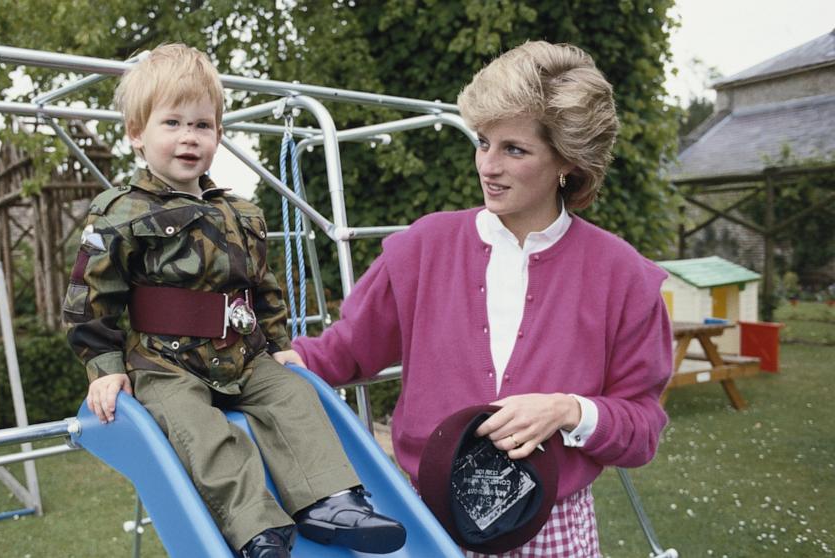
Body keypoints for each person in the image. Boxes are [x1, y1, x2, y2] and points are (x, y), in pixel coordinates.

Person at [275, 40, 673, 557]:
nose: (488, 165)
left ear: (567, 163)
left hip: (550, 531)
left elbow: (642, 429)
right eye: (483, 142)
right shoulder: (421, 248)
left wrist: (567, 410)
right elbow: (343, 352)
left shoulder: (624, 277)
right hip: (425, 523)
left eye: (515, 149)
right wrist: (265, 362)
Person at [63, 44, 405, 558]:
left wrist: (278, 344)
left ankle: (330, 503)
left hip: (242, 354)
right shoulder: (120, 212)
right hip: (166, 363)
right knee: (201, 431)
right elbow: (90, 298)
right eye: (172, 122)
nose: (188, 137)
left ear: (218, 134)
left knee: (295, 397)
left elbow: (263, 289)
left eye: (202, 125)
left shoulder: (241, 212)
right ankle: (256, 529)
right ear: (137, 134)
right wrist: (106, 367)